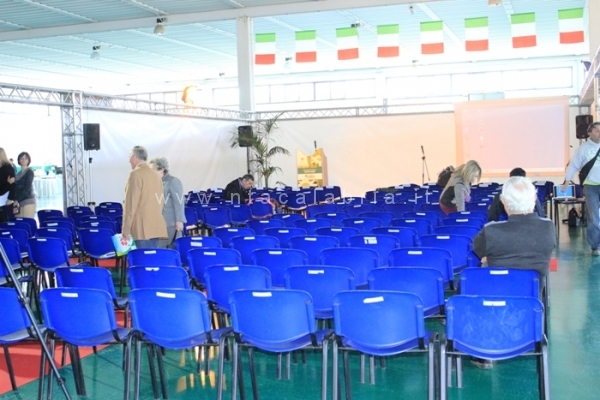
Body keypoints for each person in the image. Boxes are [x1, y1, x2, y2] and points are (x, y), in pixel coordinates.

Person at [472, 176, 556, 369]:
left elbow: (478, 251)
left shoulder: (491, 231)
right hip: (531, 302)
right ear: (534, 198)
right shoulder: (548, 228)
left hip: (494, 301)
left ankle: (484, 351)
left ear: (503, 202)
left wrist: (489, 258)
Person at [564, 122, 600, 255]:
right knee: (593, 217)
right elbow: (574, 165)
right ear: (589, 133)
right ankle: (596, 245)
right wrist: (567, 181)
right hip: (591, 186)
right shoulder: (583, 148)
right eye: (597, 131)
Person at [122, 146, 167, 249]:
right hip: (155, 226)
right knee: (152, 257)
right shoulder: (156, 176)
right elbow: (160, 201)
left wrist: (126, 230)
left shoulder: (135, 174)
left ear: (134, 157)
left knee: (141, 257)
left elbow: (131, 204)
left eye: (129, 157)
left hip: (141, 228)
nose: (129, 161)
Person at [149, 157, 186, 248]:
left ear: (162, 169)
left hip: (170, 223)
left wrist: (179, 221)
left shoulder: (173, 181)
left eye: (153, 170)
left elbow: (179, 202)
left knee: (166, 249)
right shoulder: (155, 182)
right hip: (158, 222)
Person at [14, 151, 36, 218]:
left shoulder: (29, 172)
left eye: (25, 158)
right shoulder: (17, 174)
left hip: (28, 201)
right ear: (19, 160)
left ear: (28, 160)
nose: (23, 160)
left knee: (27, 222)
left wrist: (17, 200)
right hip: (19, 202)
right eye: (21, 158)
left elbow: (27, 188)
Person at [0, 148, 16, 222]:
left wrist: (10, 198)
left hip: (4, 197)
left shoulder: (8, 167)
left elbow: (13, 184)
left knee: (5, 220)